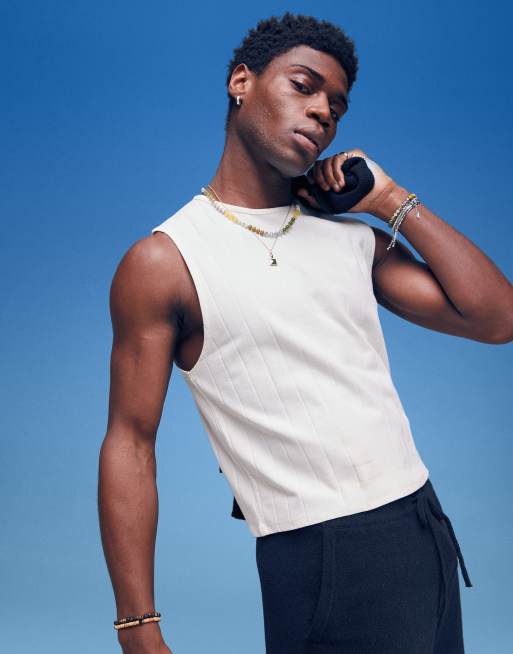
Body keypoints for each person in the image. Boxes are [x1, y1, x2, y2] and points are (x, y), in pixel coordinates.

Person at [97, 11, 513, 654]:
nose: (322, 111)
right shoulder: (166, 262)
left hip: (422, 524)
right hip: (323, 555)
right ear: (242, 81)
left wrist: (389, 199)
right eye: (303, 85)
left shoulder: (351, 239)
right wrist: (137, 626)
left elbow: (496, 318)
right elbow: (130, 442)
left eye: (336, 107)